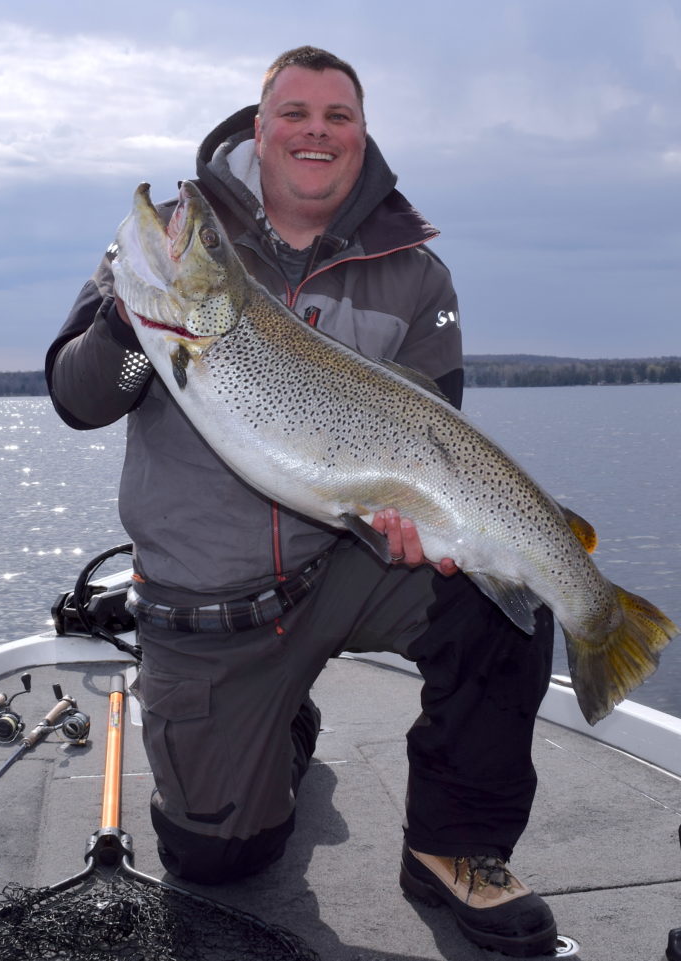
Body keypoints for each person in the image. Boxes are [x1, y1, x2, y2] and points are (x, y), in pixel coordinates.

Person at [46, 46, 557, 957]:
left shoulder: (415, 272)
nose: (316, 131)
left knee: (505, 583)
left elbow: (439, 429)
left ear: (361, 137)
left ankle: (453, 845)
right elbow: (82, 397)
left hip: (348, 565)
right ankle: (282, 726)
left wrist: (423, 523)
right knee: (219, 859)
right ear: (259, 125)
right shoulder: (168, 239)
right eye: (295, 113)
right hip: (210, 604)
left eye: (339, 116)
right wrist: (130, 318)